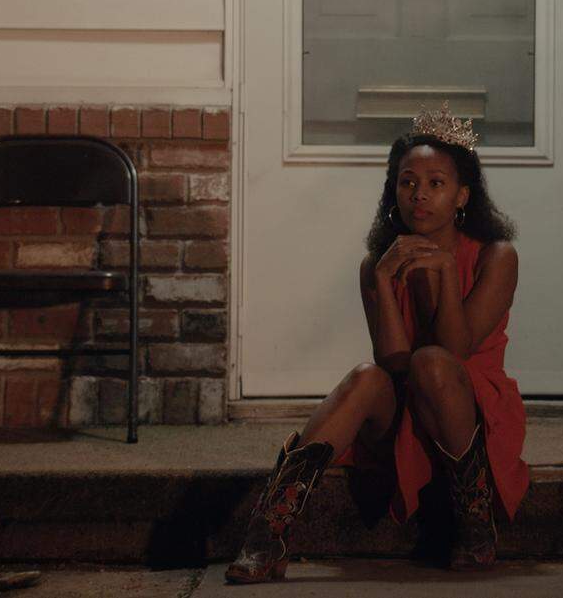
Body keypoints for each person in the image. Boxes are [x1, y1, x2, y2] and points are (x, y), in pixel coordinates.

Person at [225, 103, 529, 584]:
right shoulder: (378, 264)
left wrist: (447, 272)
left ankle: (475, 523)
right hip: (406, 403)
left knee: (433, 361)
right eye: (407, 182)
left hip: (468, 410)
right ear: (393, 191)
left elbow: (454, 353)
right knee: (367, 375)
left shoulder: (496, 256)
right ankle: (268, 534)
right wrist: (385, 282)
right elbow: (394, 363)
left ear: (462, 196)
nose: (419, 195)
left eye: (436, 183)